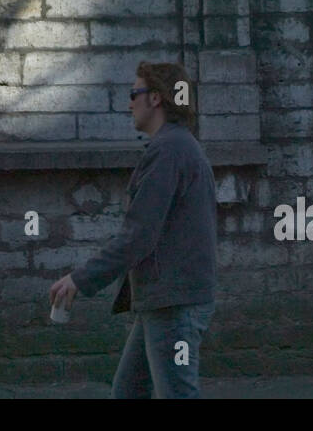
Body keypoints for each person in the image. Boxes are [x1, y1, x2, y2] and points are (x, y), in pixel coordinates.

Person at [48, 61, 217, 399]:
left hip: (173, 305)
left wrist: (80, 278)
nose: (129, 103)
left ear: (155, 99)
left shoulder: (169, 151)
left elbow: (139, 234)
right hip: (165, 301)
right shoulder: (176, 146)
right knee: (128, 392)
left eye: (133, 94)